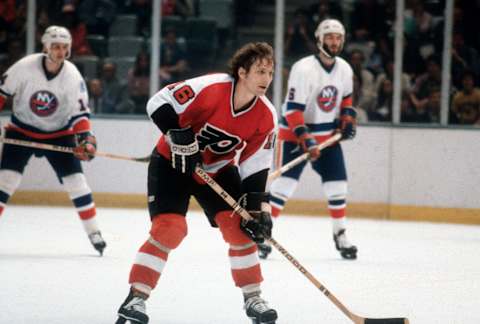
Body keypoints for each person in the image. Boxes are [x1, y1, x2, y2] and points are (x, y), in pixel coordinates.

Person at [115, 42, 278, 324]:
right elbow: (158, 102)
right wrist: (177, 134)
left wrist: (258, 210)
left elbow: (256, 166)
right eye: (260, 71)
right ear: (242, 72)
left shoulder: (266, 116)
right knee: (170, 229)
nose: (266, 79)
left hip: (216, 171)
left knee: (241, 228)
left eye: (270, 73)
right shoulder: (211, 87)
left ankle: (253, 298)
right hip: (172, 165)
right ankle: (136, 298)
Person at [0, 26, 106, 256]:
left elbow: (80, 115)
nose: (60, 51)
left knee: (77, 182)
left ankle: (94, 232)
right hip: (21, 130)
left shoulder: (72, 75)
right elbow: (2, 93)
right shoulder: (25, 67)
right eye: (56, 46)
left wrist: (85, 139)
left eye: (65, 47)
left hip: (59, 132)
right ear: (46, 47)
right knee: (6, 180)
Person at [263, 19, 358, 260]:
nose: (334, 42)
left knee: (338, 185)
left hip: (328, 137)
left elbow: (345, 101)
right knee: (283, 186)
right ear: (319, 39)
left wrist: (347, 119)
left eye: (338, 37)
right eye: (329, 37)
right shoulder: (304, 68)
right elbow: (293, 110)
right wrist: (305, 138)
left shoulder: (345, 68)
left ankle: (340, 233)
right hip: (295, 135)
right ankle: (263, 233)